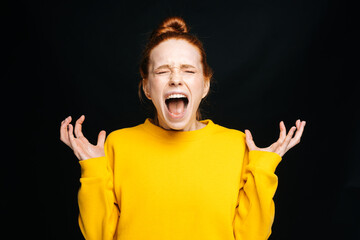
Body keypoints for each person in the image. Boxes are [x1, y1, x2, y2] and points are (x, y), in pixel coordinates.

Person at [60, 16, 306, 240]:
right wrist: (93, 170)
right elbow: (99, 235)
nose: (175, 79)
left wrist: (262, 170)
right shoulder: (117, 145)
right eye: (162, 71)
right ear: (147, 87)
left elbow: (252, 236)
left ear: (205, 85)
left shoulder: (235, 145)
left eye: (188, 70)